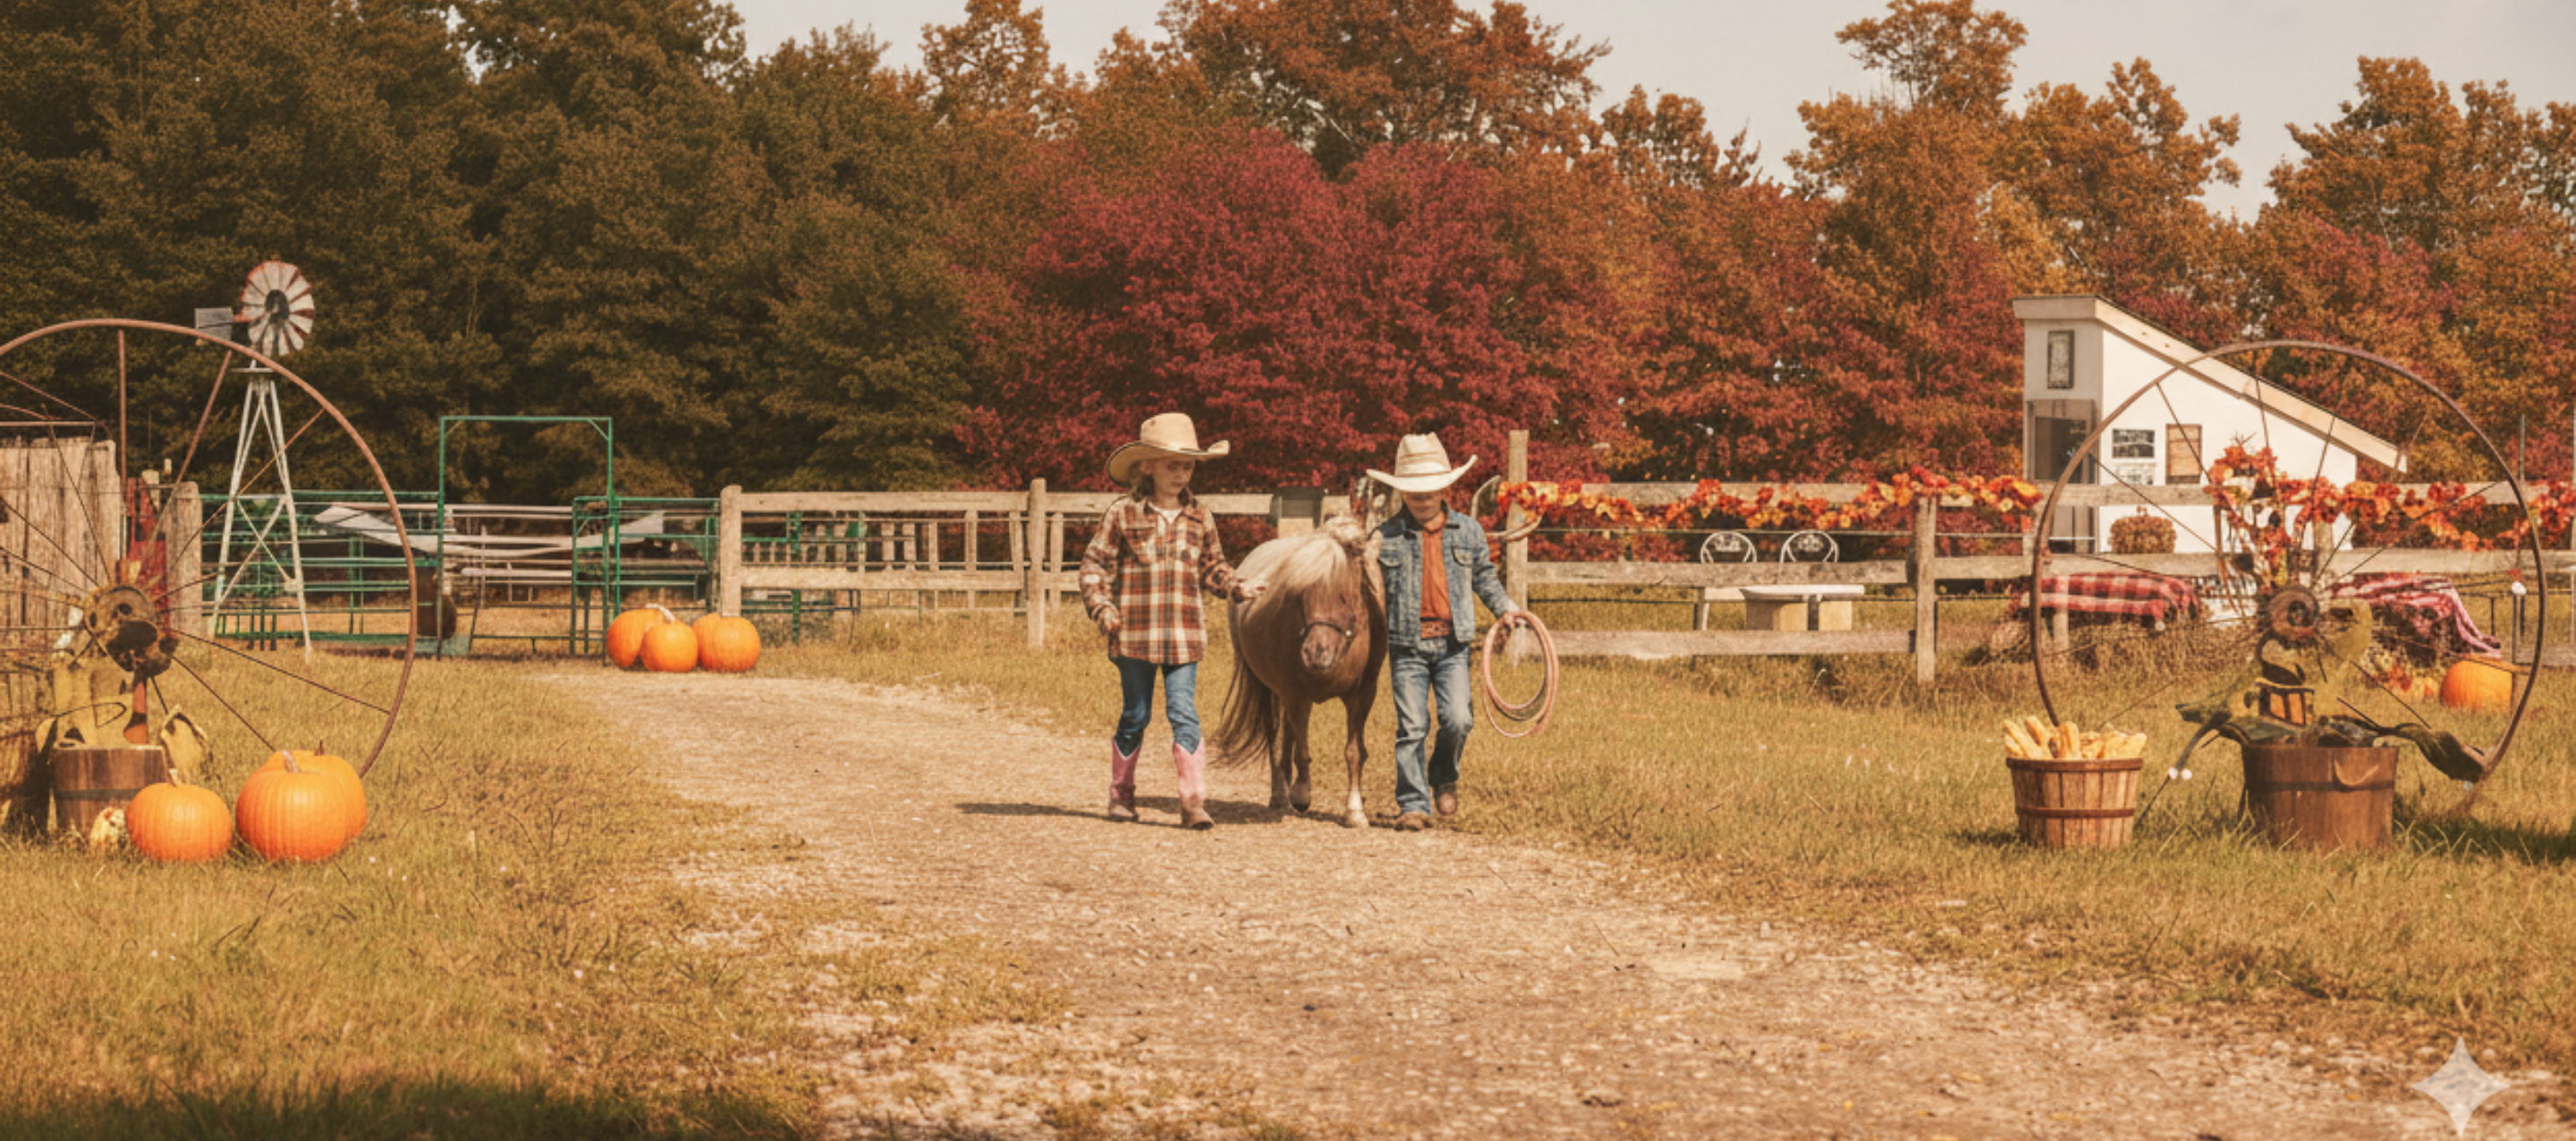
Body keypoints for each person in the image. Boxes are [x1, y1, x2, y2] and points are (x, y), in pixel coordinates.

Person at [1079, 413, 1266, 829]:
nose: (1181, 473)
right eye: (1172, 464)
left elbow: (1212, 567)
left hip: (1184, 636)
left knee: (1184, 712)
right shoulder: (1123, 514)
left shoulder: (1201, 517)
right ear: (1147, 466)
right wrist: (1102, 607)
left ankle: (1193, 802)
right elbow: (1094, 565)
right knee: (1136, 714)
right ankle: (1121, 795)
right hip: (1134, 636)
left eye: (1188, 465)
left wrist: (1238, 587)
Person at [1366, 433, 1517, 832]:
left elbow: (1485, 577)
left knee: (1458, 720)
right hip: (1407, 645)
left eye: (1430, 492)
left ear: (1443, 489)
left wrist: (1504, 608)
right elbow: (1370, 590)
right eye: (1415, 494)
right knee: (1412, 725)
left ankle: (1443, 775)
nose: (1423, 500)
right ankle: (1413, 804)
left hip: (1452, 645)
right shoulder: (1385, 537)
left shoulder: (1467, 532)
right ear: (1403, 494)